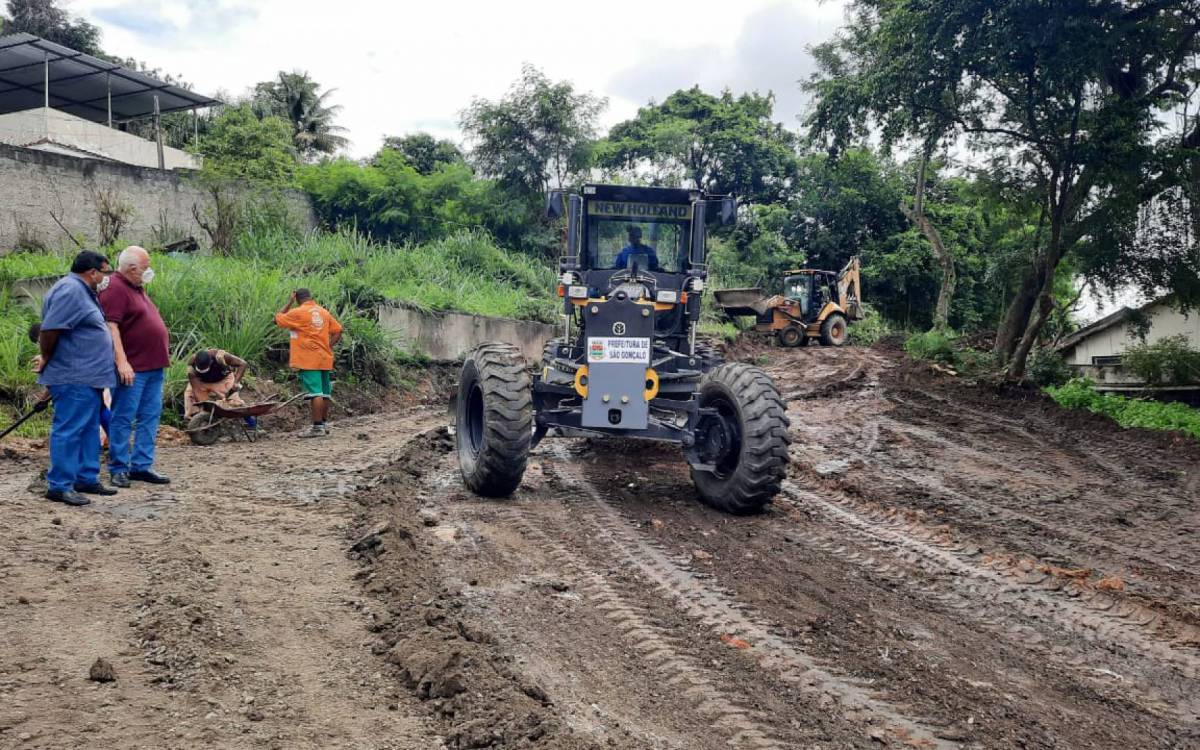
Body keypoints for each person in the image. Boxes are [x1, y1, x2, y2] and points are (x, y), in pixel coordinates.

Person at [35, 250, 118, 506]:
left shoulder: (84, 292)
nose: (107, 277)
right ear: (92, 272)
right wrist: (46, 356)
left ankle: (86, 477)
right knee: (70, 430)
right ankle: (59, 485)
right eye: (105, 272)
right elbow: (50, 329)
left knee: (87, 429)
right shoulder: (70, 290)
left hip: (89, 376)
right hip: (74, 375)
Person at [100, 246, 171, 488]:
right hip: (134, 367)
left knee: (150, 416)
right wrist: (122, 361)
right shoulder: (115, 287)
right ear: (131, 268)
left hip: (153, 366)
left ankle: (142, 465)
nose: (148, 271)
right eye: (145, 267)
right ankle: (119, 467)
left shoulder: (136, 288)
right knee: (123, 417)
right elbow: (111, 327)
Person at [274, 288, 342, 437]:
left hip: (308, 358)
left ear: (297, 298)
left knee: (315, 393)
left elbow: (277, 319)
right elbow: (338, 330)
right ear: (311, 297)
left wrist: (289, 302)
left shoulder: (298, 312)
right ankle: (323, 425)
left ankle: (317, 428)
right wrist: (328, 346)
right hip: (324, 357)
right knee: (324, 393)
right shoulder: (323, 312)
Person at [29, 322, 112, 443]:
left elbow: (54, 380)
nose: (39, 345)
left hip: (81, 383)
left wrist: (42, 400)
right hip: (93, 374)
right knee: (99, 409)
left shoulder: (52, 348)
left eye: (38, 342)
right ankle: (116, 443)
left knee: (87, 415)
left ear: (40, 336)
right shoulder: (67, 337)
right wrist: (43, 400)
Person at [184, 349, 256, 429]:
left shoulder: (220, 356)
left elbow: (243, 364)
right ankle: (195, 423)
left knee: (234, 402)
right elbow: (196, 388)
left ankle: (252, 423)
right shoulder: (191, 363)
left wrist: (236, 382)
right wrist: (203, 405)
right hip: (202, 382)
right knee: (190, 396)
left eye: (205, 370)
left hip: (222, 380)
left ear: (211, 362)